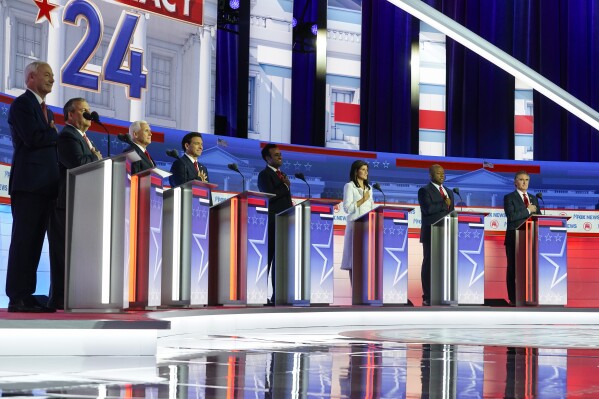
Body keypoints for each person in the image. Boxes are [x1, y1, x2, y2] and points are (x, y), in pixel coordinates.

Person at [5, 61, 60, 312]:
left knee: (35, 243)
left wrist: (49, 130)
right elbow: (34, 138)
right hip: (28, 185)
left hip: (44, 186)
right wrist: (53, 134)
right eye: (46, 75)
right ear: (30, 77)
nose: (52, 79)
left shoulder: (47, 112)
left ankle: (26, 293)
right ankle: (17, 296)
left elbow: (44, 136)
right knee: (23, 241)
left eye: (52, 76)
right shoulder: (22, 104)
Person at [55, 97, 102, 309]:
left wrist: (94, 157)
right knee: (63, 254)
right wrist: (96, 157)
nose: (88, 114)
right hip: (65, 203)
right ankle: (60, 299)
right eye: (84, 110)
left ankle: (73, 297)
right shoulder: (67, 135)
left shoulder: (82, 137)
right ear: (71, 115)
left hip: (80, 203)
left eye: (89, 110)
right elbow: (77, 163)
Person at [257, 143, 293, 304]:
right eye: (276, 155)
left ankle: (278, 296)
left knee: (282, 261)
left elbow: (286, 198)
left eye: (280, 154)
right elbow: (270, 195)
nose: (280, 157)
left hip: (285, 222)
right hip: (272, 222)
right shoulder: (264, 175)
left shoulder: (282, 175)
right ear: (267, 158)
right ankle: (259, 295)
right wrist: (285, 186)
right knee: (268, 260)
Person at [417, 164, 455, 306]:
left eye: (443, 173)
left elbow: (451, 212)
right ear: (431, 175)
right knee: (429, 264)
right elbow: (427, 209)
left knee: (445, 265)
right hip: (431, 232)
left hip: (446, 232)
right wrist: (443, 204)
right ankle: (427, 296)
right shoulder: (424, 190)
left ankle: (443, 295)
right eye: (438, 173)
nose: (442, 175)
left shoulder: (449, 192)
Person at [504, 170, 540, 305]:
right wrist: (528, 210)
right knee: (513, 268)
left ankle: (529, 297)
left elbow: (539, 217)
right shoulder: (509, 198)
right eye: (521, 179)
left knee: (529, 269)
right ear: (515, 182)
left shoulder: (534, 198)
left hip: (530, 238)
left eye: (527, 180)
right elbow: (511, 217)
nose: (524, 182)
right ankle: (513, 298)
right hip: (514, 238)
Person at [340, 160, 375, 283]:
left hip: (367, 228)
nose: (366, 172)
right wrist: (362, 200)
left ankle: (365, 291)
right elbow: (347, 208)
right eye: (363, 169)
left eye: (367, 170)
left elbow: (371, 208)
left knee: (366, 259)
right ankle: (355, 291)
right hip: (355, 227)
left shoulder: (369, 189)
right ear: (356, 171)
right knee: (354, 260)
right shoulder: (349, 186)